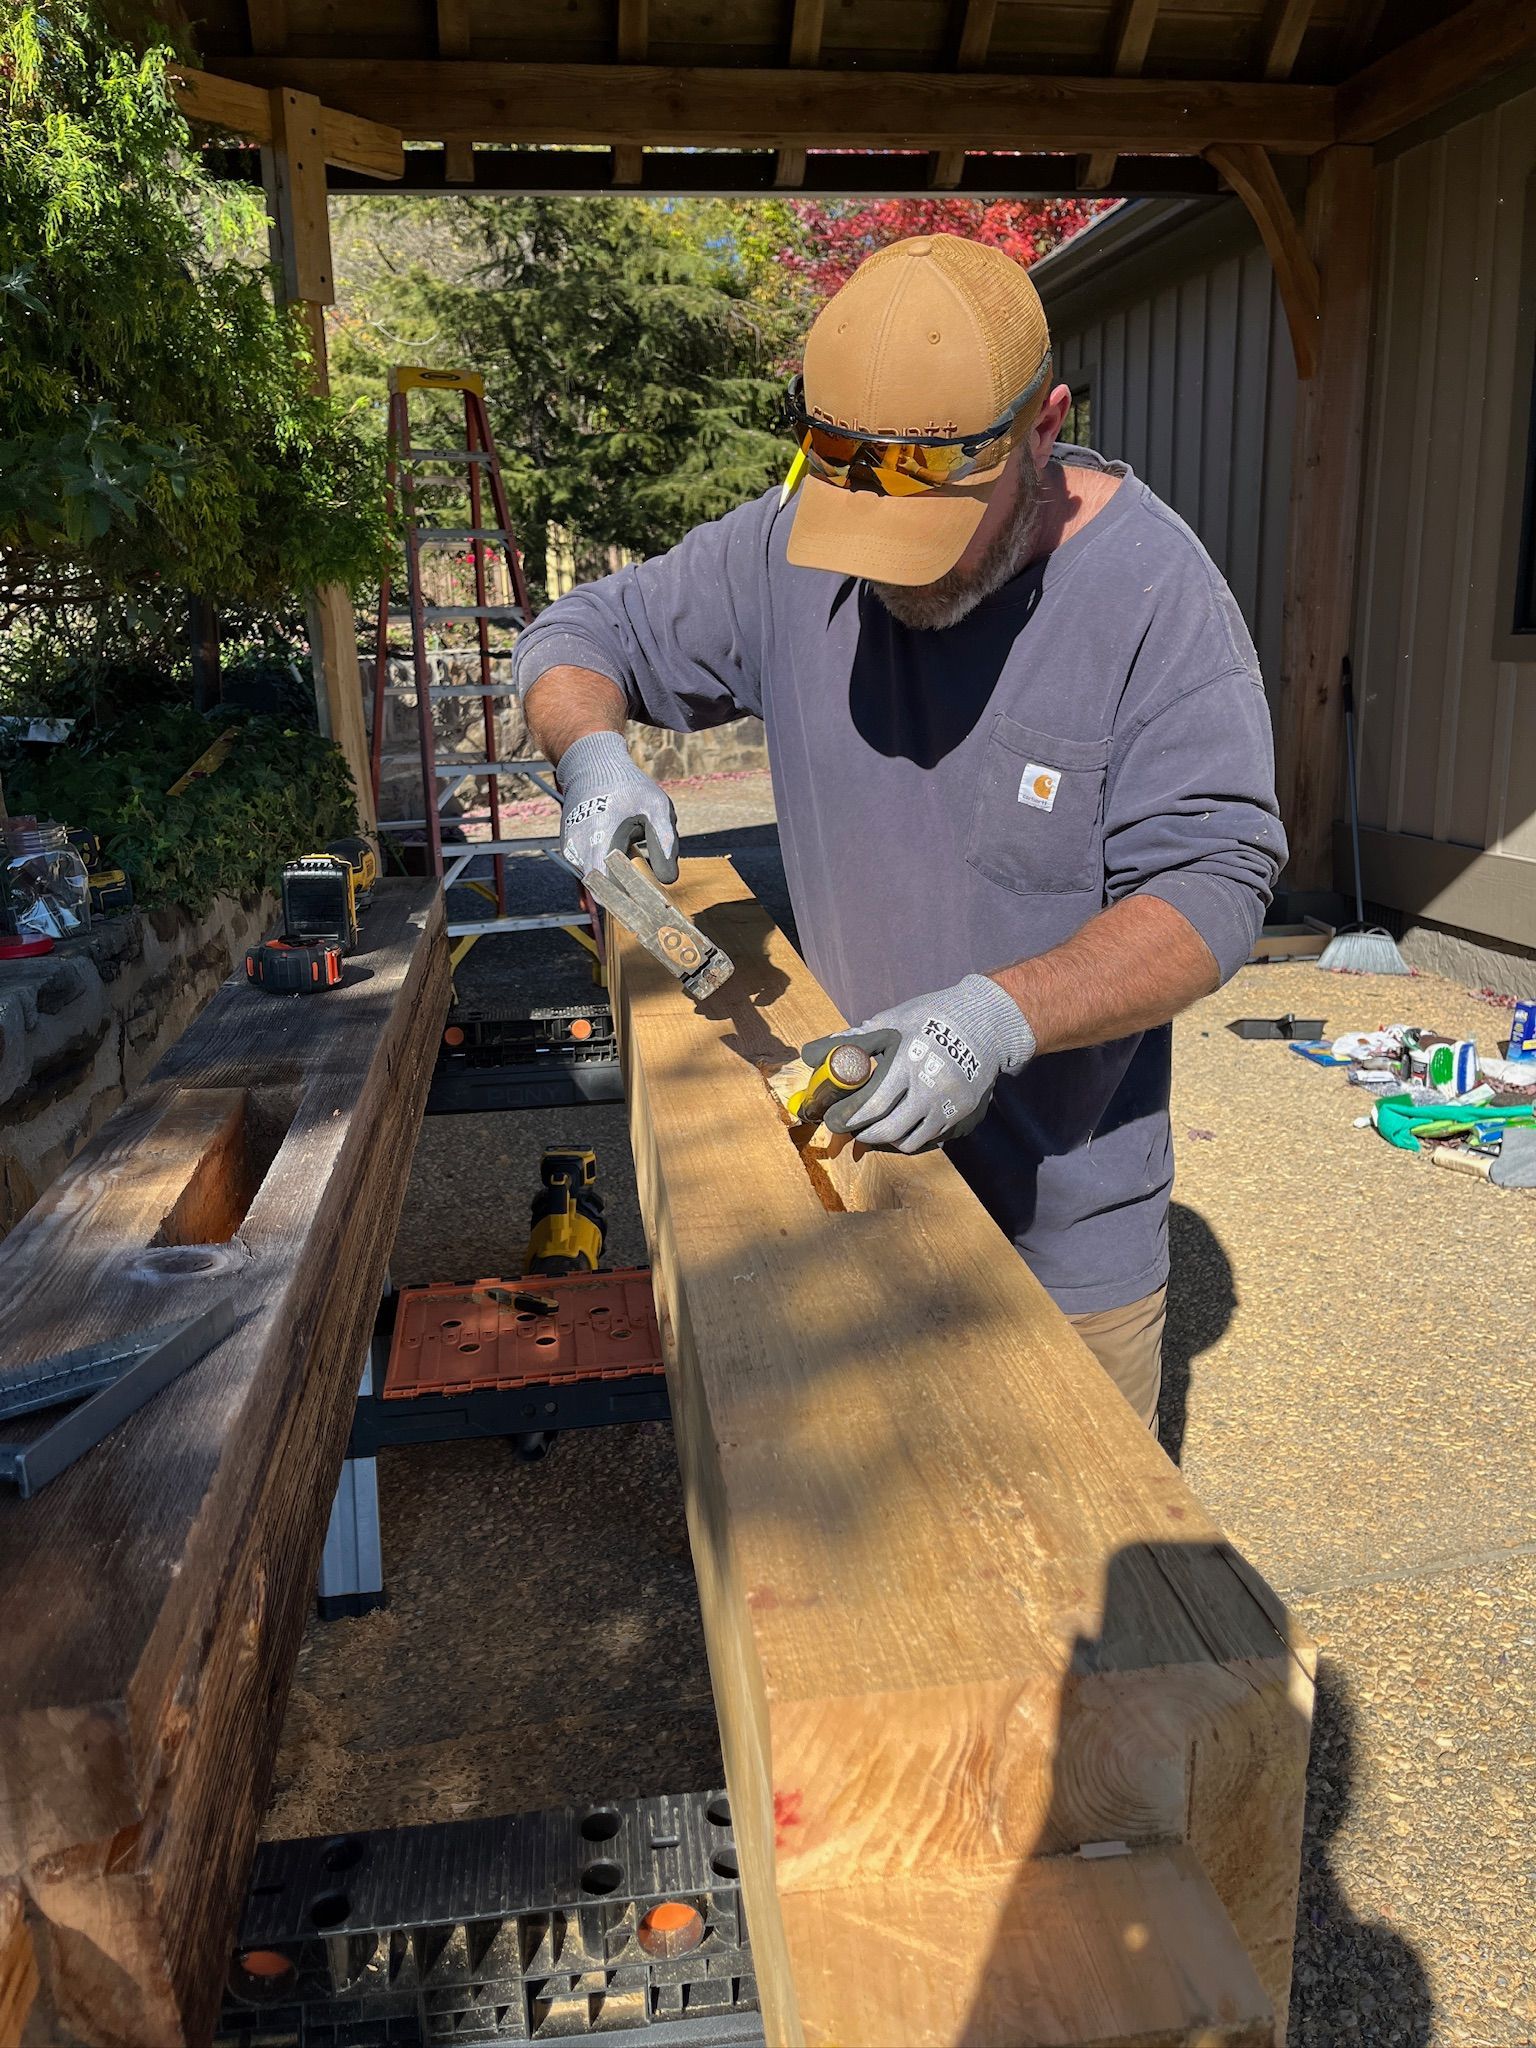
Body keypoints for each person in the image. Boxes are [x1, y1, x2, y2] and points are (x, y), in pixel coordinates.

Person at [512, 233, 1285, 1431]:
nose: (889, 579)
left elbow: (1216, 885)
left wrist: (998, 1015)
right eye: (856, 532)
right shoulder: (790, 544)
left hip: (1058, 1247)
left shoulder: (1152, 596)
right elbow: (580, 634)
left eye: (926, 534)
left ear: (1044, 429)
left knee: (1058, 1606)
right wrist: (593, 752)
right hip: (848, 1206)